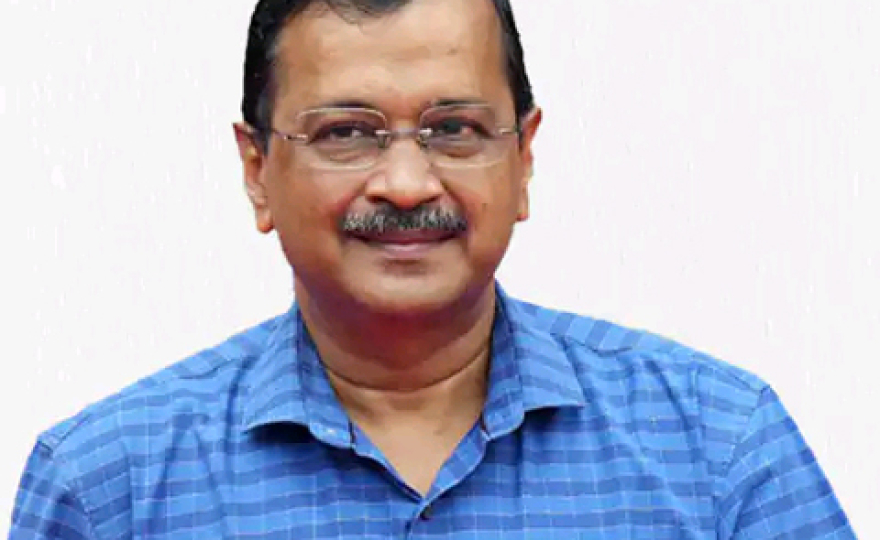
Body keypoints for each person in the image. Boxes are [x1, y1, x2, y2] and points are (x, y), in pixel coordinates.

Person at [10, 0, 857, 538]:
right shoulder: (109, 488)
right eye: (347, 133)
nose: (408, 184)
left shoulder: (716, 446)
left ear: (523, 159)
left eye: (454, 129)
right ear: (256, 169)